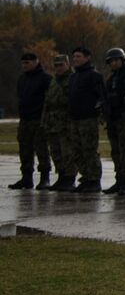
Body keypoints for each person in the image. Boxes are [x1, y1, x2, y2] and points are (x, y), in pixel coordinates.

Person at [67, 46, 106, 193]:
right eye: (74, 56)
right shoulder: (73, 77)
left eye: (79, 56)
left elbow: (101, 98)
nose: (76, 59)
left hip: (88, 119)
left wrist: (98, 114)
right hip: (75, 119)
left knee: (89, 150)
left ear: (87, 57)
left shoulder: (94, 76)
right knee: (77, 151)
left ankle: (94, 180)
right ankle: (86, 178)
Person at [102, 48, 125, 194]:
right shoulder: (111, 79)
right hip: (114, 120)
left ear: (122, 60)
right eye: (111, 61)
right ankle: (119, 180)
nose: (113, 63)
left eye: (116, 60)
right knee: (116, 152)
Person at [11, 52, 51, 190]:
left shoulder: (45, 78)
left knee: (42, 150)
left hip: (39, 119)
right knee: (24, 149)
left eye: (27, 63)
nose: (25, 66)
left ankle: (45, 178)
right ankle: (26, 178)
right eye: (23, 63)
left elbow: (49, 99)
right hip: (25, 119)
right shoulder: (22, 79)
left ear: (36, 61)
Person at [42, 55, 74, 191]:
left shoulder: (72, 79)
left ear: (67, 64)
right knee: (56, 152)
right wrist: (44, 121)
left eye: (61, 65)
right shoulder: (54, 81)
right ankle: (61, 177)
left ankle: (70, 179)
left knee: (68, 152)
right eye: (56, 66)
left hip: (66, 122)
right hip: (53, 122)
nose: (59, 68)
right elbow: (47, 102)